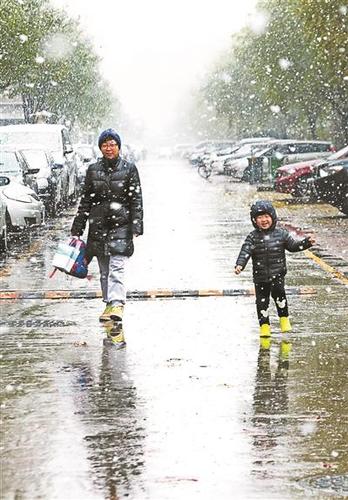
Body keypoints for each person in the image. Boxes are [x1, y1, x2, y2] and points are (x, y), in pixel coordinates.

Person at [71, 128, 143, 322]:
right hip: (98, 226)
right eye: (105, 145)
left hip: (121, 225)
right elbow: (86, 200)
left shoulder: (129, 168)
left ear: (118, 147)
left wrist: (136, 225)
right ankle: (108, 303)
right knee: (104, 271)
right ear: (100, 148)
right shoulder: (93, 170)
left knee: (117, 267)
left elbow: (136, 199)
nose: (109, 148)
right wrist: (77, 228)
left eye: (112, 144)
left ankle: (117, 303)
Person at [234, 200, 315, 337]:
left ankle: (284, 320)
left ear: (272, 217)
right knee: (262, 302)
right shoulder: (253, 237)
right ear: (254, 220)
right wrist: (240, 264)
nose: (264, 220)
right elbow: (245, 251)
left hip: (277, 274)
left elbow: (293, 246)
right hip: (260, 277)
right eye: (260, 217)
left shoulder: (281, 234)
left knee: (280, 298)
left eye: (266, 216)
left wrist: (306, 243)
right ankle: (264, 326)